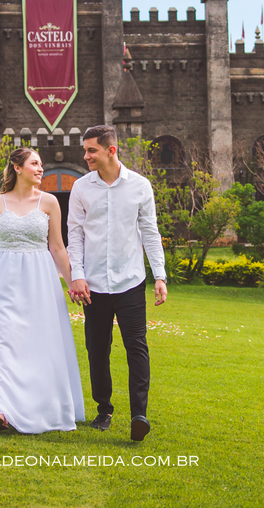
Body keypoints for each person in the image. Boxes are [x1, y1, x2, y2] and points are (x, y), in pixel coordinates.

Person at [0, 147, 85, 434]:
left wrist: (72, 283)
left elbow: (57, 247)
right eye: (34, 163)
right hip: (1, 280)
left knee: (36, 343)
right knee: (2, 340)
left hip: (38, 281)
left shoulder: (50, 202)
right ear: (17, 168)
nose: (41, 169)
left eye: (41, 164)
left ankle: (37, 405)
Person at [67, 125, 168, 442]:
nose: (86, 156)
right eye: (85, 150)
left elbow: (150, 232)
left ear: (111, 150)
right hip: (93, 285)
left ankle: (140, 414)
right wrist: (77, 274)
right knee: (97, 350)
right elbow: (75, 235)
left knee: (136, 347)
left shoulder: (140, 186)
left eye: (91, 150)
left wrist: (160, 275)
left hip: (130, 282)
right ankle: (104, 408)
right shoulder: (81, 188)